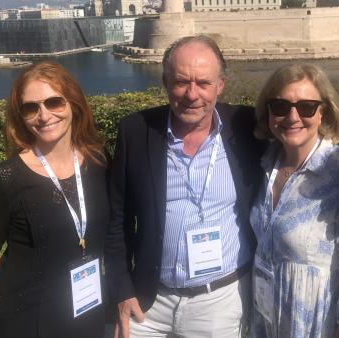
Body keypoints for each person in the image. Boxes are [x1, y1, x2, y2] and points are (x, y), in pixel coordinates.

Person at [105, 35, 265, 337]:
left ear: (220, 86)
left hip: (218, 302)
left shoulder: (245, 127)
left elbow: (296, 129)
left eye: (204, 83)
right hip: (149, 300)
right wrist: (121, 290)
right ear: (165, 82)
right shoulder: (136, 131)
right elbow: (118, 220)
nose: (192, 94)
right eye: (181, 82)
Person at [0, 61, 109, 338]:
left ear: (73, 103)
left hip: (86, 307)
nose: (44, 115)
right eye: (30, 107)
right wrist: (15, 301)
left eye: (54, 102)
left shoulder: (99, 160)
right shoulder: (4, 178)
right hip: (29, 320)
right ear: (20, 116)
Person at [248, 63, 339, 338]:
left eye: (307, 107)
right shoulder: (264, 165)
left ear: (324, 113)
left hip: (315, 324)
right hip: (267, 318)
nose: (292, 116)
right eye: (280, 106)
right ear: (269, 112)